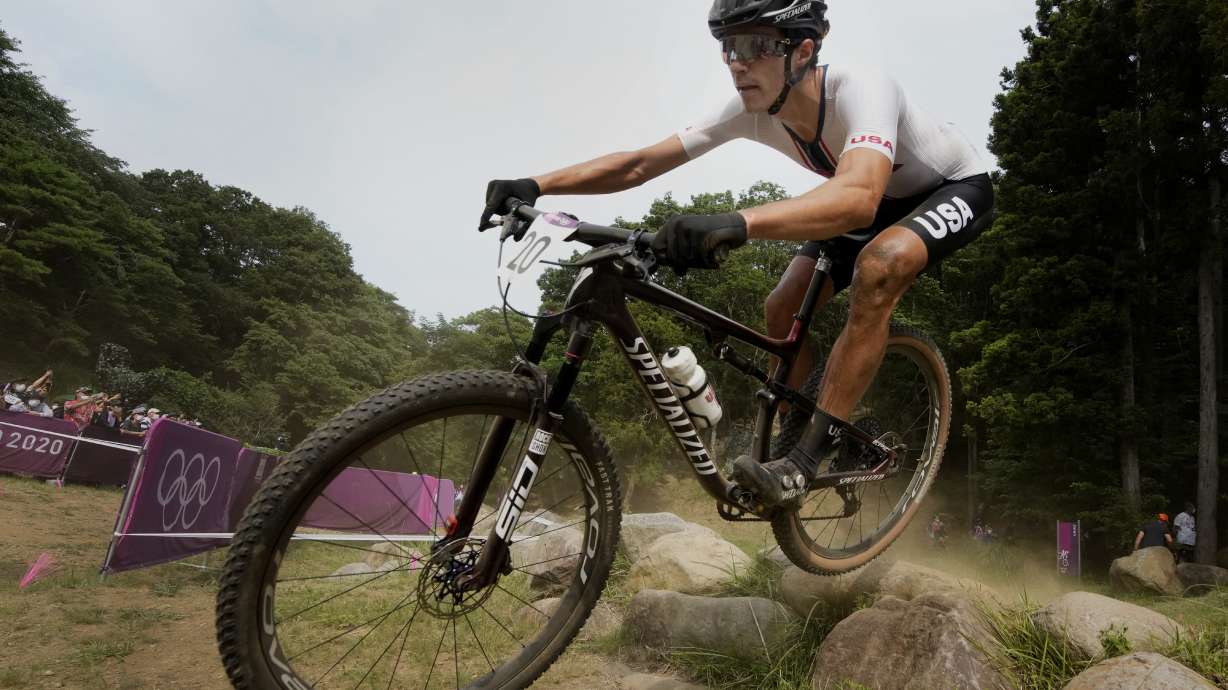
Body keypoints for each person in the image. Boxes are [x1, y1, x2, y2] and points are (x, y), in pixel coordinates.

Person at [479, 0, 993, 509]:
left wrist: (737, 223)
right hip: (862, 198)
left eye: (755, 45)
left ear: (804, 50)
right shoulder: (749, 111)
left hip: (946, 188)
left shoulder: (861, 87)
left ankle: (803, 462)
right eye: (728, 47)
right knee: (780, 310)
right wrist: (536, 183)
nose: (737, 62)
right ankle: (800, 430)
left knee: (879, 267)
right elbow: (639, 165)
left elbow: (859, 196)